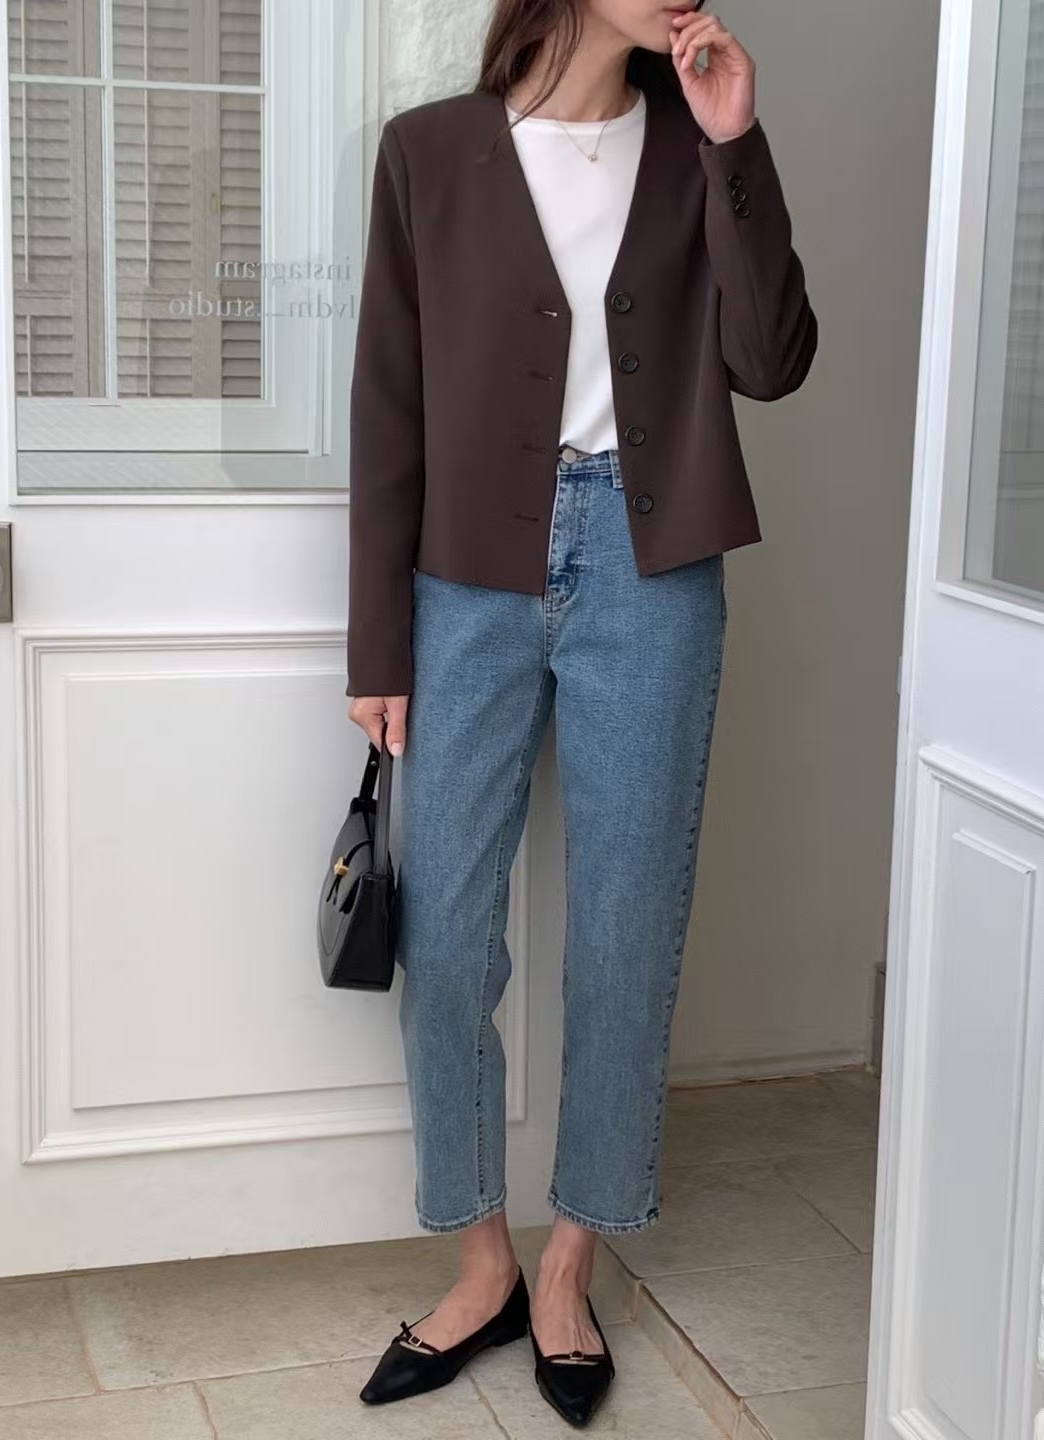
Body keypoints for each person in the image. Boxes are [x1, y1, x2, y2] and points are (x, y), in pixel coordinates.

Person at [345, 0, 818, 1425]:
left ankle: (569, 1267)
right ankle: (481, 1261)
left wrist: (737, 145)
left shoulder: (694, 145)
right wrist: (378, 641)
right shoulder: (429, 152)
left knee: (625, 930)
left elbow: (773, 359)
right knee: (445, 933)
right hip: (465, 580)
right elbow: (387, 406)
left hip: (650, 570)